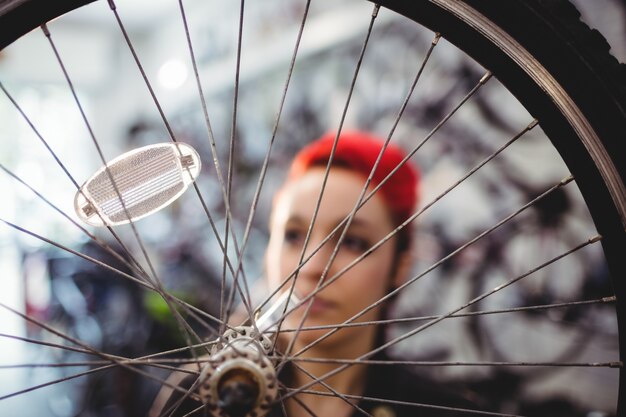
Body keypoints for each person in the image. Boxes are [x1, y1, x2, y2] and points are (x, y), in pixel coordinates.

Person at [150, 130, 476, 417]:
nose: (312, 267)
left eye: (351, 242)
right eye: (293, 236)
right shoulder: (197, 396)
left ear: (398, 268)